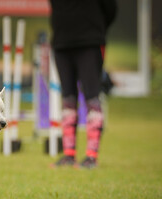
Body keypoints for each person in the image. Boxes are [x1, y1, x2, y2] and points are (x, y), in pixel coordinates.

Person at [49, 0, 117, 168]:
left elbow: (111, 8)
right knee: (68, 99)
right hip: (61, 42)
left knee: (92, 98)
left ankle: (91, 156)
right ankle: (68, 155)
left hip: (90, 42)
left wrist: (95, 27)